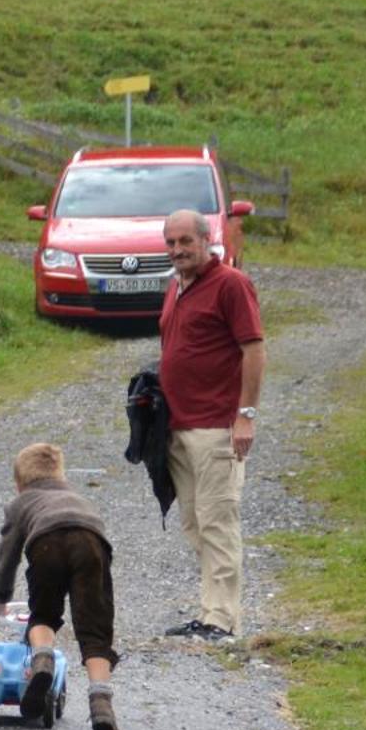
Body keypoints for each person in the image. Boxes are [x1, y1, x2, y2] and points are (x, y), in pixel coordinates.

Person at [157, 208, 264, 641]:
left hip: (217, 426)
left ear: (206, 240)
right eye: (171, 242)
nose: (178, 250)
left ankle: (222, 620)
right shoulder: (176, 286)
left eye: (186, 241)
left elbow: (254, 349)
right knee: (195, 523)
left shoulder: (231, 285)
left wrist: (245, 415)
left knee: (218, 521)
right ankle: (210, 613)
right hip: (178, 426)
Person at [0, 443, 121, 730]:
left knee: (43, 613)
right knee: (94, 629)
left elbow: (8, 558)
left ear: (19, 484)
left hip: (46, 540)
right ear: (62, 475)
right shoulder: (79, 499)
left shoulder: (21, 504)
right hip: (92, 542)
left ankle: (43, 660)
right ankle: (101, 705)